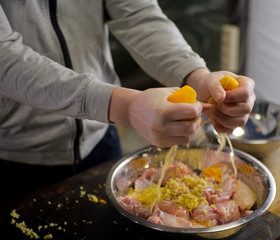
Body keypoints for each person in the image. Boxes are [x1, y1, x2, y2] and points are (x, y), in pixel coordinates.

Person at [0, 0, 255, 202]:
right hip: (17, 155)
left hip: (101, 136)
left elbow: (136, 13)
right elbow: (4, 57)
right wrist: (124, 106)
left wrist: (195, 75)